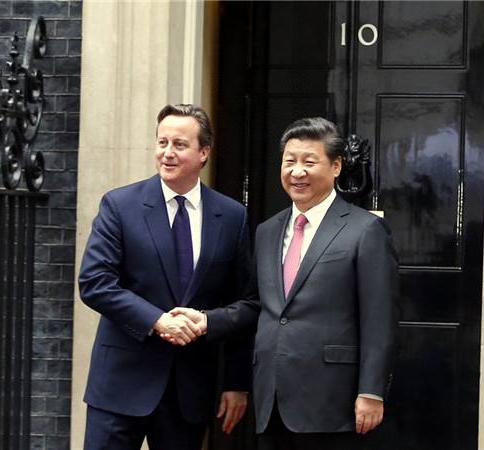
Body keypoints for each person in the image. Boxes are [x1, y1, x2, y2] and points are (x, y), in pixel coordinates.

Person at [169, 117, 399, 450]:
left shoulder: (365, 230)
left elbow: (380, 318)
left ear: (336, 166)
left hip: (334, 401)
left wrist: (371, 391)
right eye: (289, 161)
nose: (297, 171)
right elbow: (256, 306)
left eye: (309, 162)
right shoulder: (267, 231)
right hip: (272, 398)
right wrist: (207, 321)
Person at [78, 104, 251, 450]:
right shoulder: (120, 205)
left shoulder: (232, 216)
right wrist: (157, 320)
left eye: (179, 144)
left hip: (189, 388)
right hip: (120, 383)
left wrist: (236, 382)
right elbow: (95, 282)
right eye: (162, 142)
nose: (167, 153)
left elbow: (243, 303)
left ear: (204, 152)